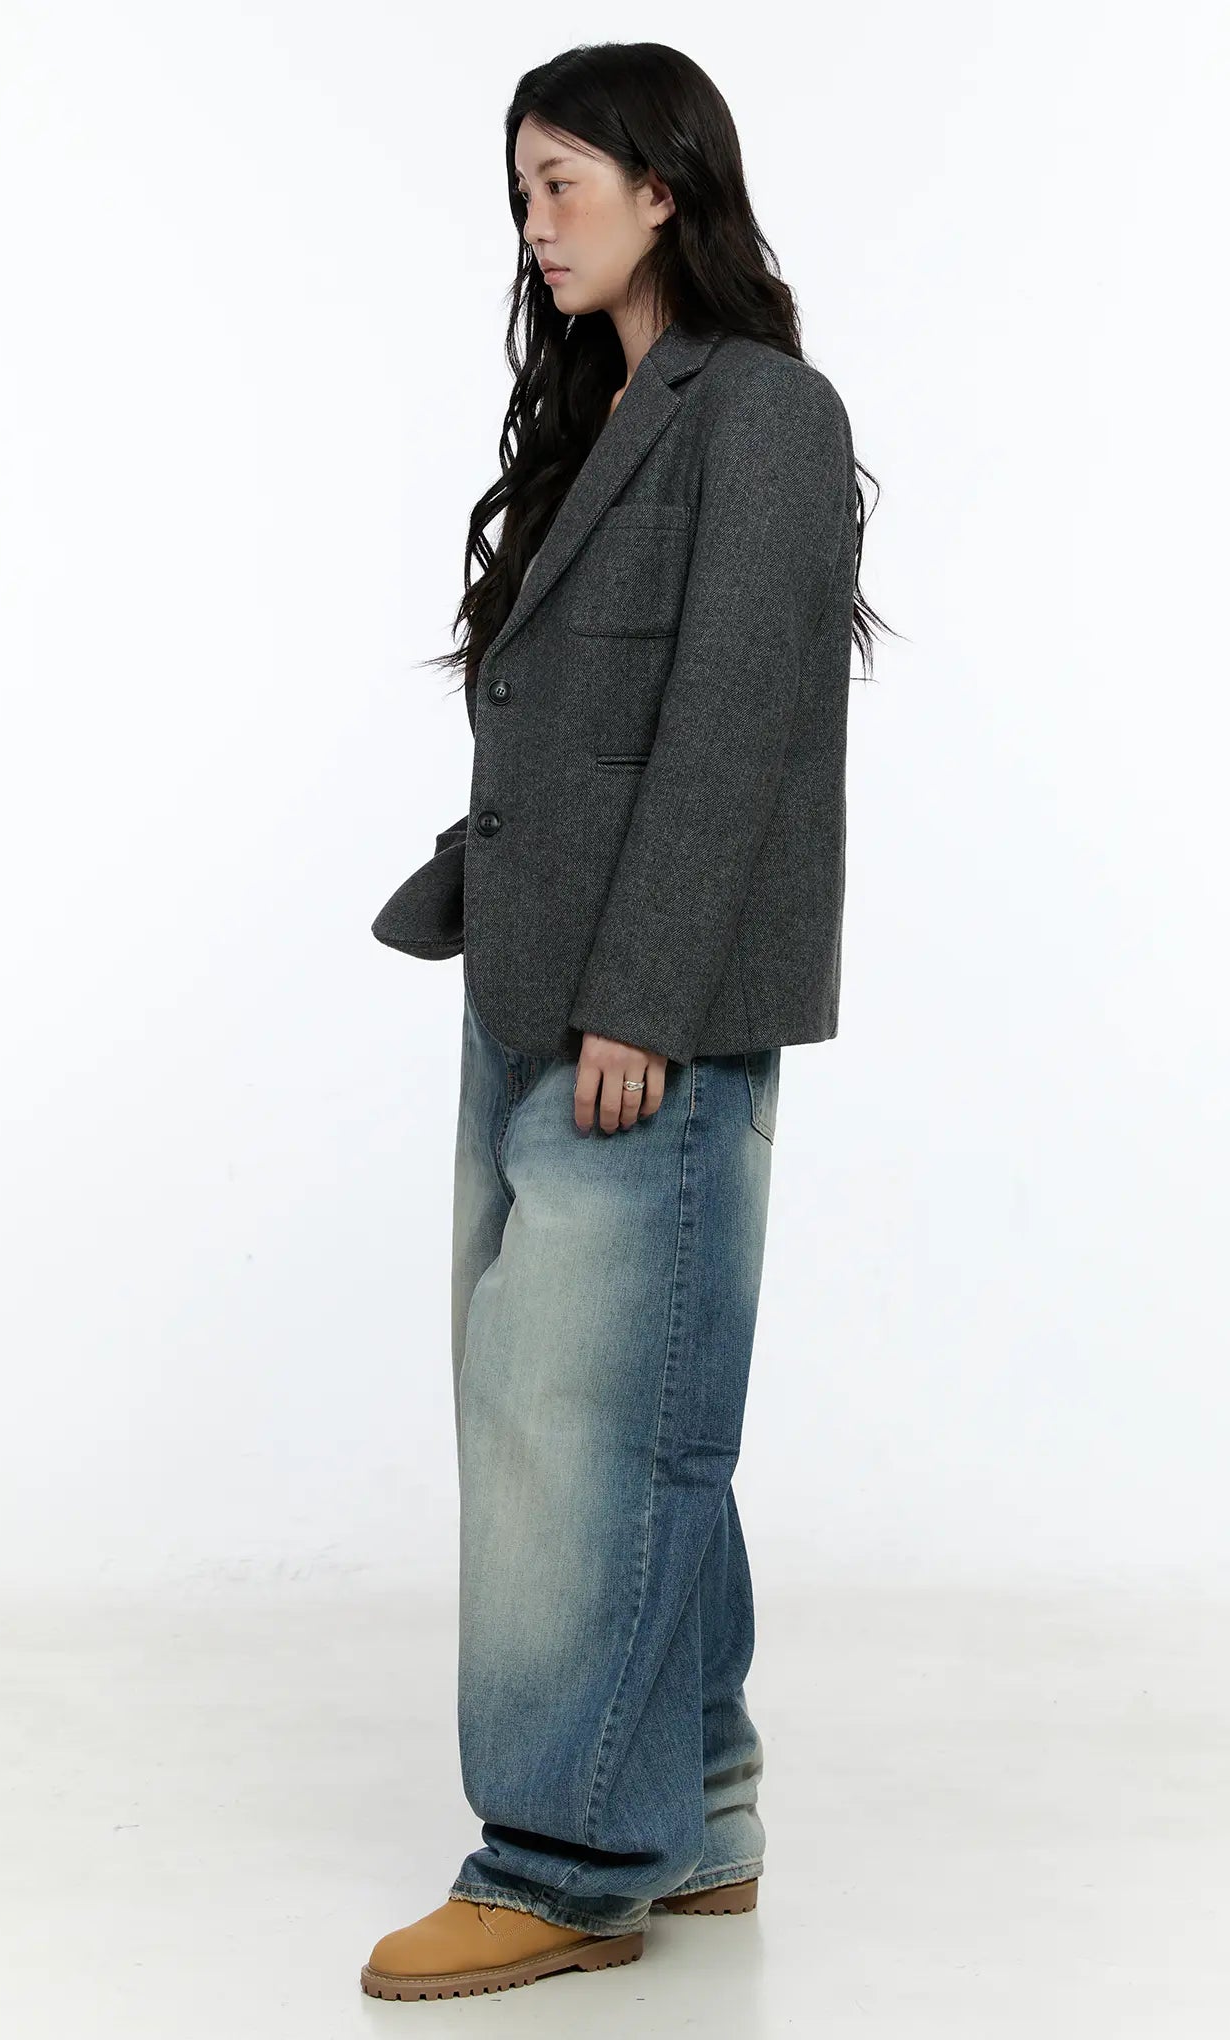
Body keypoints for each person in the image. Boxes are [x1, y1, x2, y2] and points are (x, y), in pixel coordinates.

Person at [363, 39, 886, 2003]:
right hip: (535, 988)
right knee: (619, 1412)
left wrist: (646, 999)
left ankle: (569, 1861)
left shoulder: (767, 412)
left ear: (668, 187)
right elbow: (575, 722)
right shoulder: (609, 415)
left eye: (564, 180)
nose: (535, 219)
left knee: (571, 1432)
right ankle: (707, 1807)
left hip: (637, 1018)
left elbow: (735, 722)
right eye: (520, 189)